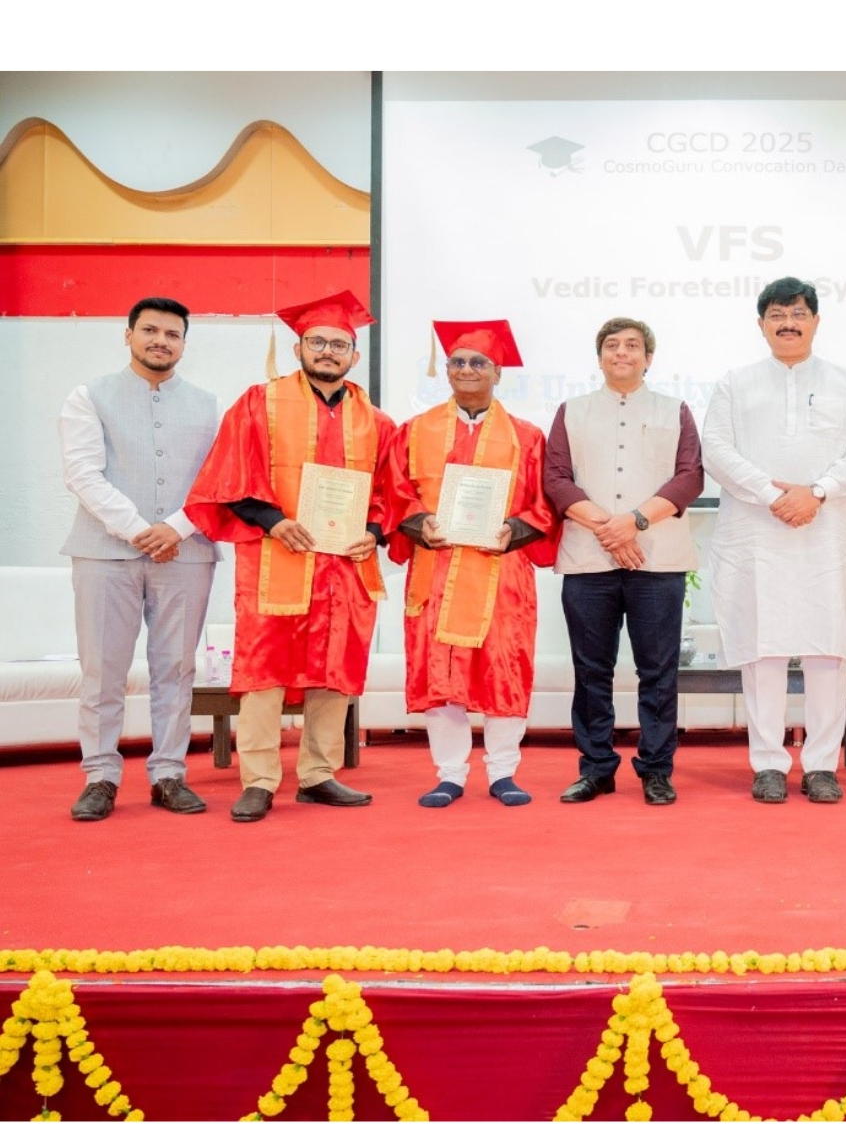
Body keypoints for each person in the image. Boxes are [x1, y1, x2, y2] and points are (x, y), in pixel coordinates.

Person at [185, 290, 395, 823]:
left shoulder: (375, 421)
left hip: (344, 563)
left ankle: (318, 774)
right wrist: (274, 521)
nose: (328, 352)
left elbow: (390, 493)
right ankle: (258, 780)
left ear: (354, 356)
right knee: (264, 669)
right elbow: (230, 477)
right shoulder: (260, 402)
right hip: (277, 556)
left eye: (339, 345)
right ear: (299, 347)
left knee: (334, 667)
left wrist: (374, 532)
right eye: (317, 342)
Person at [701, 277, 846, 804]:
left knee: (829, 651)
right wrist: (771, 494)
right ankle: (768, 764)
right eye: (777, 315)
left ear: (816, 321)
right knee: (764, 651)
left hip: (829, 533)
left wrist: (818, 492)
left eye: (799, 313)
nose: (788, 323)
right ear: (760, 324)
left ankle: (822, 765)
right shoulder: (735, 383)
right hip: (757, 532)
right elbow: (716, 448)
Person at [384, 320, 555, 808]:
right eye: (457, 361)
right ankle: (450, 774)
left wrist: (513, 529)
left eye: (478, 362)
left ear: (497, 372)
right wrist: (419, 523)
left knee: (505, 667)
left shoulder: (526, 437)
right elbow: (393, 493)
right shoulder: (415, 431)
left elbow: (544, 504)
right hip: (436, 568)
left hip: (502, 571)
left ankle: (503, 772)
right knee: (441, 673)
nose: (466, 369)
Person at [60, 296, 220, 821]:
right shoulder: (89, 397)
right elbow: (83, 474)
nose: (160, 341)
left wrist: (176, 528)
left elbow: (216, 481)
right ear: (128, 335)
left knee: (176, 668)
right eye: (150, 330)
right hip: (104, 554)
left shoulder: (208, 405)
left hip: (187, 553)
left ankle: (169, 773)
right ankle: (100, 777)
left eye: (172, 334)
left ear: (184, 345)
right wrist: (139, 531)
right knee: (102, 669)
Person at [544, 317, 704, 807]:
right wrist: (609, 529)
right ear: (599, 358)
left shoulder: (674, 409)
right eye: (611, 345)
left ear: (648, 358)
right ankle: (595, 769)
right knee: (591, 670)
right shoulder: (571, 411)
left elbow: (689, 477)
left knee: (658, 671)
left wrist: (632, 522)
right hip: (587, 559)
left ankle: (656, 770)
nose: (621, 352)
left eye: (633, 345)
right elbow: (556, 478)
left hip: (657, 559)